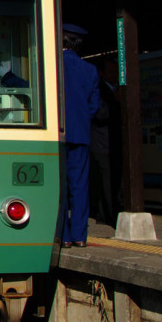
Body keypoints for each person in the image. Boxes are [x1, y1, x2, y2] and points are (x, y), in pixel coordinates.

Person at [61, 23, 102, 248]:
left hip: (58, 135)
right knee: (80, 186)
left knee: (61, 186)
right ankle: (79, 236)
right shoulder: (90, 70)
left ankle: (64, 236)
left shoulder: (53, 66)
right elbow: (93, 106)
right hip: (81, 134)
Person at [89, 58, 123, 227]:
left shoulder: (117, 88)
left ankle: (104, 213)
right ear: (102, 73)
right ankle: (111, 215)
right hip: (102, 143)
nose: (114, 74)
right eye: (110, 71)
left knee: (113, 179)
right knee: (107, 180)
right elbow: (99, 114)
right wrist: (114, 101)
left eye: (116, 71)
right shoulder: (100, 89)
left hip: (114, 142)